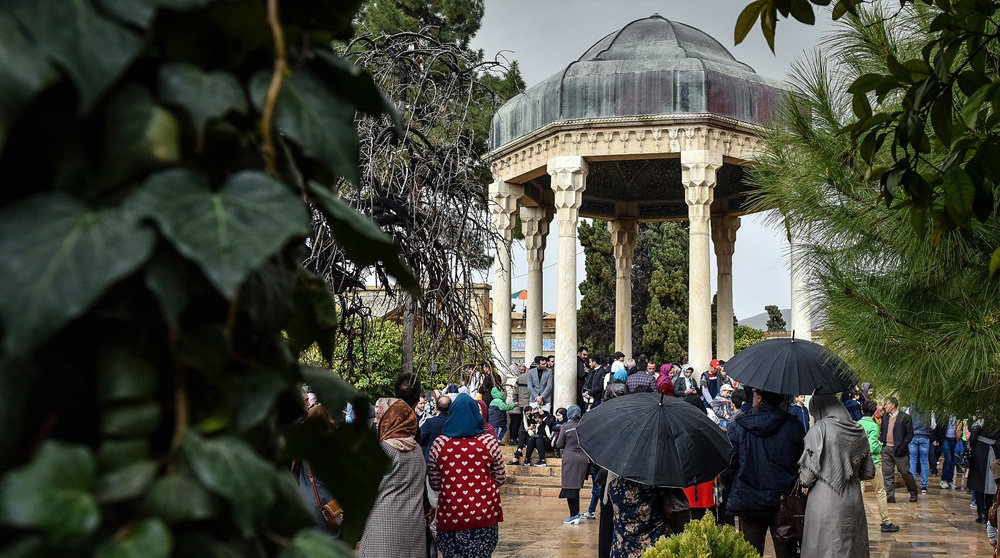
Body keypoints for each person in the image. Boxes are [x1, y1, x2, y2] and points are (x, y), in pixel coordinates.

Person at [721, 388, 805, 558]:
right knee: (786, 552)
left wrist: (733, 489)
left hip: (749, 499)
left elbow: (729, 465)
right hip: (784, 500)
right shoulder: (794, 426)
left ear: (759, 397)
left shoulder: (739, 425)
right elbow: (800, 463)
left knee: (750, 552)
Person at [427, 394, 506, 558]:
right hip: (484, 515)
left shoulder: (440, 444)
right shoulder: (489, 442)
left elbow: (435, 483)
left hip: (451, 514)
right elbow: (500, 477)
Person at [798, 393, 875, 558]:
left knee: (824, 549)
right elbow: (869, 472)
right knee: (853, 549)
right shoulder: (858, 430)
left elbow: (806, 479)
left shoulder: (818, 430)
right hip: (853, 500)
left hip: (823, 503)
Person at [357, 398, 426, 557]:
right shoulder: (416, 450)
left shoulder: (381, 450)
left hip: (384, 524)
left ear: (390, 419)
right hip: (414, 524)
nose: (376, 421)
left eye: (380, 416)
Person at [858, 400, 898, 532]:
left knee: (859, 493)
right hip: (872, 462)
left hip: (859, 462)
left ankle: (857, 520)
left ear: (862, 411)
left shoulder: (857, 424)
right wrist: (880, 446)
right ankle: (886, 521)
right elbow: (872, 446)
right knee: (880, 491)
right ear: (874, 411)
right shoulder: (874, 426)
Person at [879, 396, 919, 503]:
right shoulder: (885, 417)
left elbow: (910, 433)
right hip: (886, 448)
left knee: (905, 472)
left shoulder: (905, 417)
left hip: (900, 449)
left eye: (887, 404)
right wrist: (882, 441)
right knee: (887, 473)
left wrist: (904, 444)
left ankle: (913, 492)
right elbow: (883, 430)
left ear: (893, 405)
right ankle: (890, 496)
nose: (885, 406)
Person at [556, 405, 590, 524]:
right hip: (583, 459)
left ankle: (574, 515)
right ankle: (576, 513)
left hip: (570, 459)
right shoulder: (584, 426)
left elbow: (559, 444)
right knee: (576, 487)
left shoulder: (566, 427)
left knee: (570, 487)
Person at [969, 419, 1000, 524]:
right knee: (991, 485)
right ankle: (987, 513)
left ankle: (981, 513)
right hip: (993, 451)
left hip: (979, 452)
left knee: (978, 484)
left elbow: (973, 435)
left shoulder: (981, 419)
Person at [419, 395, 452, 463]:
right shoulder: (454, 422)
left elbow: (421, 439)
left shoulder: (430, 422)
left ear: (436, 407)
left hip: (432, 457)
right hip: (450, 457)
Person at [910, 405, 934, 494]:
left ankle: (912, 485)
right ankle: (924, 486)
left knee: (912, 461)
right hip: (925, 436)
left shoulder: (911, 408)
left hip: (913, 436)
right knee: (924, 461)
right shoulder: (929, 409)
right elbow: (933, 425)